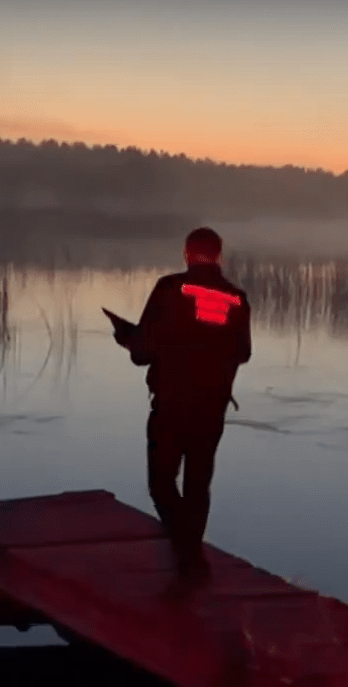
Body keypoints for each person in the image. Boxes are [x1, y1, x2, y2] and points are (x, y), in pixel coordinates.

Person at [115, 227, 252, 581]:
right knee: (197, 485)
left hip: (172, 404)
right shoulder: (236, 298)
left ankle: (188, 554)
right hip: (212, 408)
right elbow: (243, 353)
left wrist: (127, 338)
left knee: (161, 484)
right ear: (219, 255)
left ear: (187, 254)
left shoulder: (170, 289)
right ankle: (191, 556)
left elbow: (142, 353)